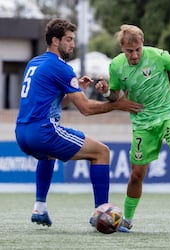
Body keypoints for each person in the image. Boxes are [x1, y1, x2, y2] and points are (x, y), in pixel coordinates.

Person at [15, 18, 143, 228]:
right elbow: (85, 109)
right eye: (69, 39)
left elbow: (51, 101)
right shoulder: (61, 68)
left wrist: (76, 91)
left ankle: (40, 206)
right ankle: (102, 213)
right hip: (43, 131)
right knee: (101, 152)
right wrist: (117, 104)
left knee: (47, 155)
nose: (73, 44)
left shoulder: (34, 63)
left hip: (22, 133)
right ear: (55, 41)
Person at [95, 24, 170, 234]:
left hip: (169, 115)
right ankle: (127, 220)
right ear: (122, 47)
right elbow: (115, 96)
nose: (135, 55)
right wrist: (105, 92)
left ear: (142, 44)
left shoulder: (158, 56)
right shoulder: (116, 66)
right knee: (137, 174)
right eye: (130, 51)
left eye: (138, 49)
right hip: (142, 123)